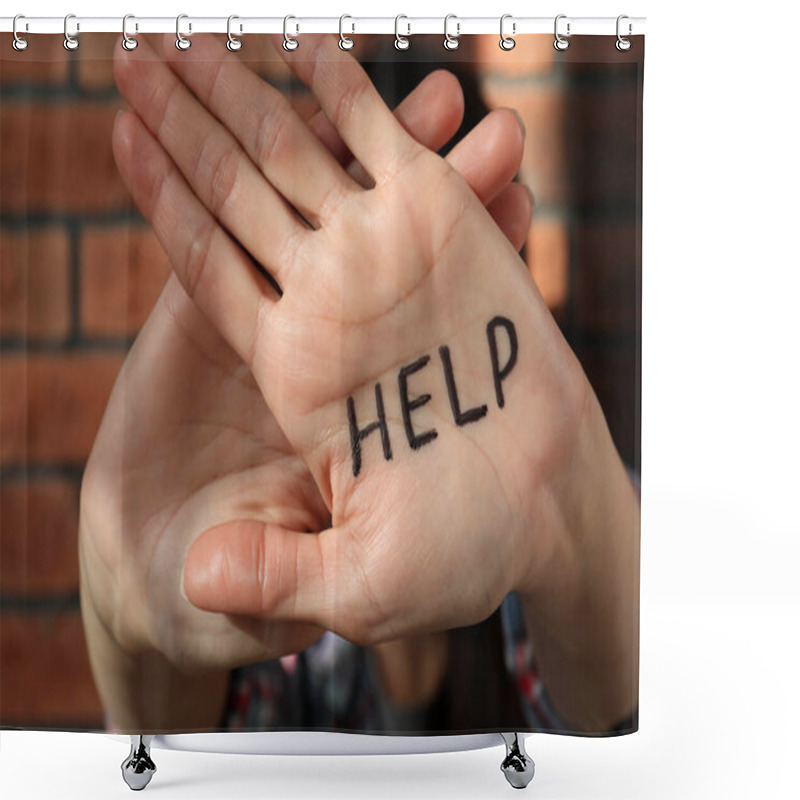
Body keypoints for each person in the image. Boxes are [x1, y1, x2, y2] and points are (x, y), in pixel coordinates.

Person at [79, 32, 639, 737]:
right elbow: (187, 751)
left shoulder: (541, 509)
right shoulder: (281, 539)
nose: (371, 325)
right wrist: (115, 598)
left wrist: (576, 508)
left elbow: (633, 715)